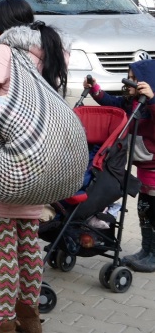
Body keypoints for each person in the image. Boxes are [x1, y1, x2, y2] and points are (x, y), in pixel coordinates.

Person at [0, 0, 70, 333]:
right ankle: (29, 318)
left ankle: (2, 324)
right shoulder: (52, 51)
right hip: (38, 163)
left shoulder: (3, 53)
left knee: (1, 251)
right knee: (27, 244)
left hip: (0, 165)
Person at [84, 60, 155, 273]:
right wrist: (95, 91)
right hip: (143, 165)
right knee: (144, 210)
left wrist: (151, 100)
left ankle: (153, 255)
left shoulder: (150, 105)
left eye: (135, 79)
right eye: (129, 78)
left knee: (153, 211)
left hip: (154, 167)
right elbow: (112, 103)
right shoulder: (131, 102)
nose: (131, 83)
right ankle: (145, 250)